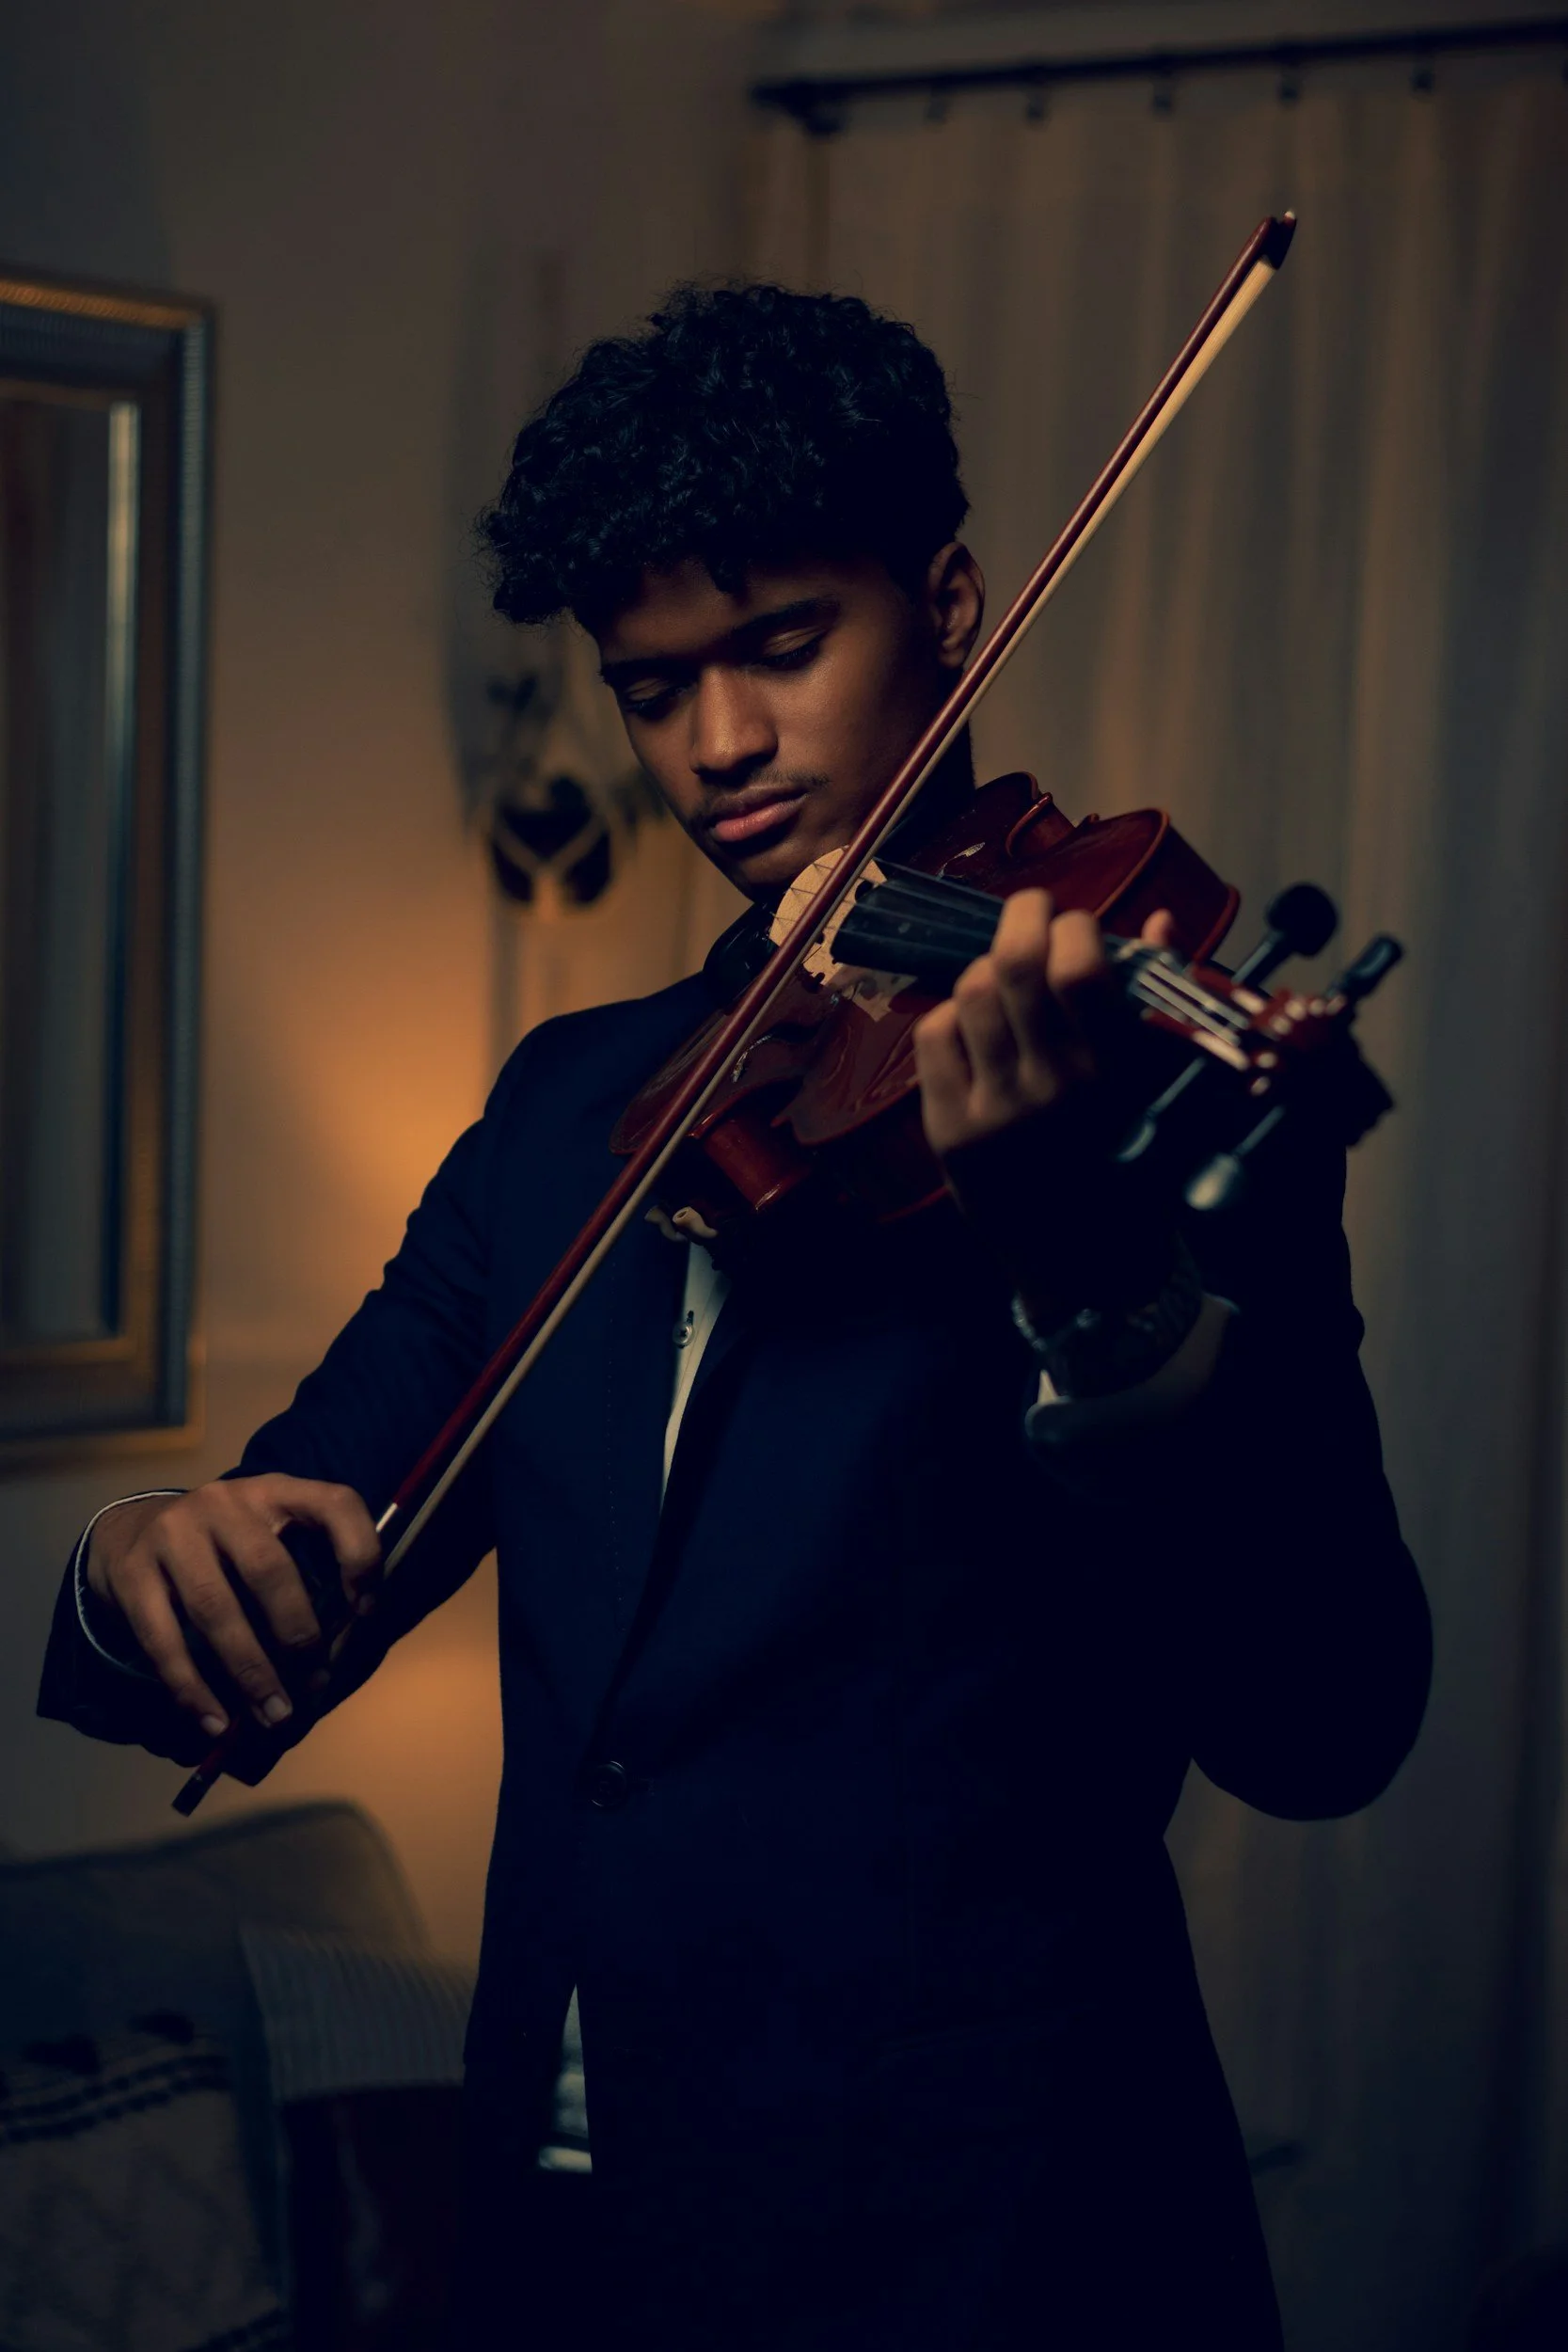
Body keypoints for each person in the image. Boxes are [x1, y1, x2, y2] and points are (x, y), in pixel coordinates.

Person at [39, 284, 1431, 2349]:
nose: (717, 745)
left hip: (999, 2248)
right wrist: (142, 1551)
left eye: (783, 645)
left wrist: (1074, 1260)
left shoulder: (1136, 1092)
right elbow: (264, 1571)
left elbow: (1324, 1714)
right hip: (573, 2246)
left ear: (950, 603)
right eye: (649, 682)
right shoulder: (566, 1109)